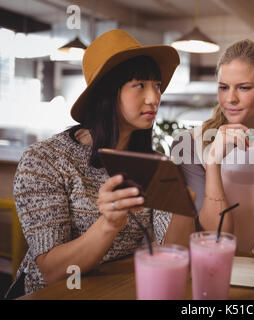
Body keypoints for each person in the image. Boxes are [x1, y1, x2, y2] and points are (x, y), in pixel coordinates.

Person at [6, 29, 180, 298]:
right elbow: (52, 271)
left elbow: (176, 251)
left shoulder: (153, 163)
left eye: (157, 85)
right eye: (140, 85)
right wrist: (109, 224)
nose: (154, 98)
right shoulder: (44, 160)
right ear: (108, 92)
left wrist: (181, 201)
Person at [171, 39, 254, 259]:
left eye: (244, 88)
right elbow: (213, 234)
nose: (230, 99)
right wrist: (214, 161)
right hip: (213, 264)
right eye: (223, 87)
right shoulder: (189, 143)